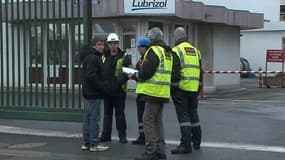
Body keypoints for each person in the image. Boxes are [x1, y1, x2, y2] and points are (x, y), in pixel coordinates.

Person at [133, 27, 174, 160]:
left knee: (147, 120)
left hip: (153, 92)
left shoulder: (153, 51)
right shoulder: (167, 52)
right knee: (158, 122)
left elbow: (145, 72)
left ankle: (150, 151)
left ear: (151, 39)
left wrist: (135, 75)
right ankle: (161, 151)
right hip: (163, 92)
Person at [170, 27, 203, 154]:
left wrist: (173, 89)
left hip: (181, 89)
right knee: (194, 115)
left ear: (176, 37)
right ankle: (197, 142)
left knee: (183, 117)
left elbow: (175, 73)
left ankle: (185, 145)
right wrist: (199, 87)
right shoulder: (196, 51)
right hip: (193, 89)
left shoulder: (176, 50)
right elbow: (200, 71)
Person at [100, 33, 132, 144]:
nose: (113, 46)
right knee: (107, 115)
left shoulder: (124, 56)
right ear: (108, 45)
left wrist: (118, 83)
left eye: (115, 43)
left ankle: (122, 135)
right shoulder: (103, 56)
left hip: (119, 90)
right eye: (111, 44)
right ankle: (106, 134)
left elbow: (128, 73)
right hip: (107, 91)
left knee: (120, 115)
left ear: (118, 44)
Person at [80, 37, 110, 152]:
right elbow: (91, 76)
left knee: (87, 118)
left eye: (102, 44)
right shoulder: (93, 58)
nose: (102, 46)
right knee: (94, 119)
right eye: (99, 44)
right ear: (93, 46)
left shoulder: (89, 57)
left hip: (88, 93)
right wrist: (101, 86)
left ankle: (86, 143)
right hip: (94, 93)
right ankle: (94, 144)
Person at [131, 36, 150, 145]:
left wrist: (134, 75)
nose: (138, 49)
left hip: (146, 91)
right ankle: (142, 135)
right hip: (141, 91)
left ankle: (146, 137)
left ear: (145, 47)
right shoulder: (142, 58)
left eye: (139, 47)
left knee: (146, 117)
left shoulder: (147, 58)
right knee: (140, 116)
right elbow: (138, 70)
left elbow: (143, 74)